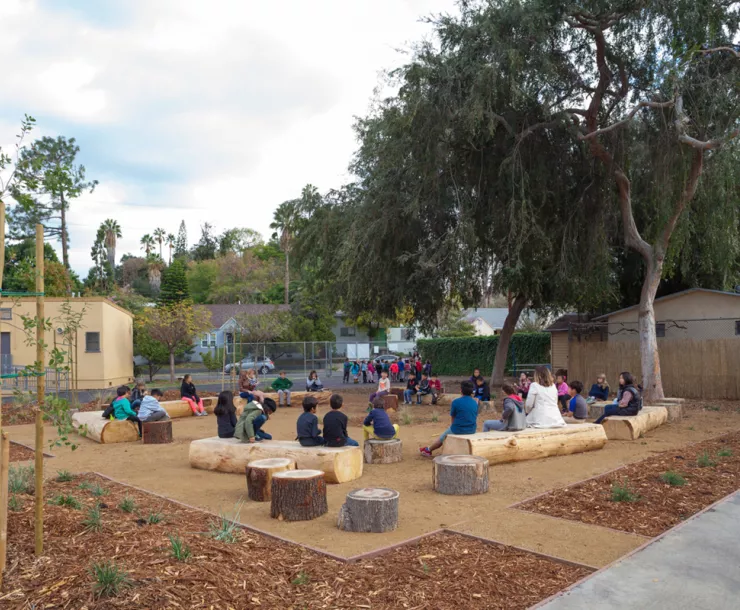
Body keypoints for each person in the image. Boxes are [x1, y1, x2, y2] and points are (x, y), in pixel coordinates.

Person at [419, 380, 478, 456]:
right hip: (472, 429)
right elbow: (475, 416)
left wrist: (453, 427)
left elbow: (453, 417)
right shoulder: (475, 402)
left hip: (458, 429)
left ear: (461, 390)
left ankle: (428, 450)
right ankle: (428, 449)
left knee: (442, 438)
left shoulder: (456, 402)